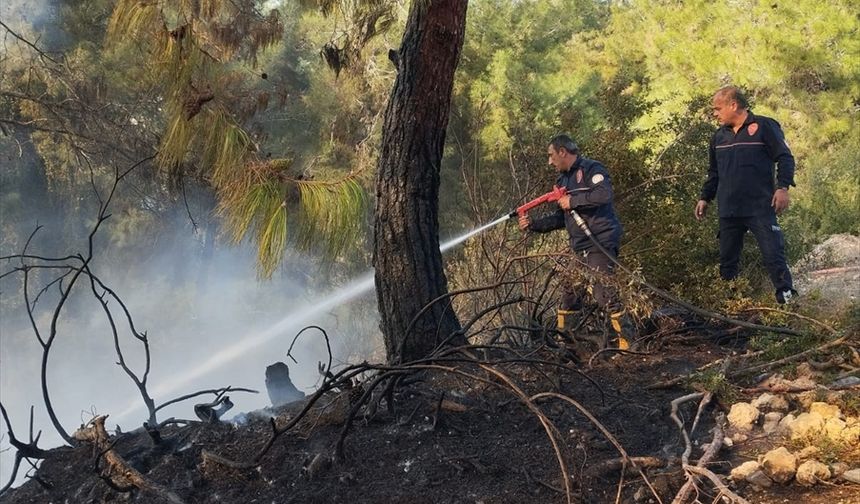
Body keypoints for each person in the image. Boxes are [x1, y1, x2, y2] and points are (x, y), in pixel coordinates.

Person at [518, 134, 632, 349]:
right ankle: (571, 346)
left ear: (562, 152)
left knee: (604, 293)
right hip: (579, 246)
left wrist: (573, 201)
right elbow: (560, 218)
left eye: (551, 155)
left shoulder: (591, 169)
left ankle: (629, 345)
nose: (549, 161)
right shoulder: (562, 181)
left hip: (600, 241)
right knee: (570, 293)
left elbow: (604, 195)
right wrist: (533, 224)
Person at [695, 86, 797, 304]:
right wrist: (705, 197)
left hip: (760, 207)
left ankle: (788, 301)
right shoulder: (718, 137)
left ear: (733, 105)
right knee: (727, 262)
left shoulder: (765, 126)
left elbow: (785, 157)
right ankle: (731, 306)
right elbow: (714, 172)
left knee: (774, 256)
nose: (715, 113)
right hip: (729, 209)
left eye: (718, 108)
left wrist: (783, 187)